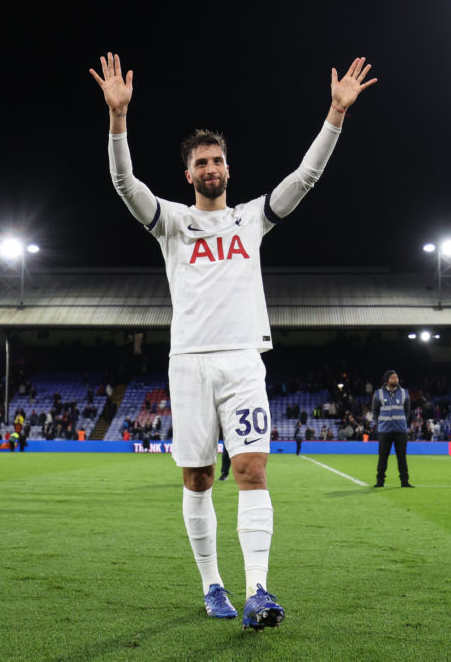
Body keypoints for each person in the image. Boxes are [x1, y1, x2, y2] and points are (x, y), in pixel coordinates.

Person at [91, 51, 376, 630]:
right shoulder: (171, 221)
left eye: (218, 159)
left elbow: (306, 177)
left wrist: (335, 114)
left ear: (228, 168)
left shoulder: (253, 218)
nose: (211, 167)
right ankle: (212, 586)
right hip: (189, 364)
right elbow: (124, 183)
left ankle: (258, 591)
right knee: (198, 478)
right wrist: (118, 118)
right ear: (189, 174)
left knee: (250, 469)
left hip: (245, 360)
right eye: (201, 162)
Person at [373, 370, 413, 488]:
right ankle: (380, 481)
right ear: (387, 380)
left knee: (402, 456)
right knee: (383, 457)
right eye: (393, 378)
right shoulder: (378, 393)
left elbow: (407, 411)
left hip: (400, 430)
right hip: (384, 431)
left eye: (397, 377)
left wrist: (401, 422)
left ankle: (404, 481)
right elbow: (375, 411)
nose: (396, 380)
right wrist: (380, 422)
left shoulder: (405, 393)